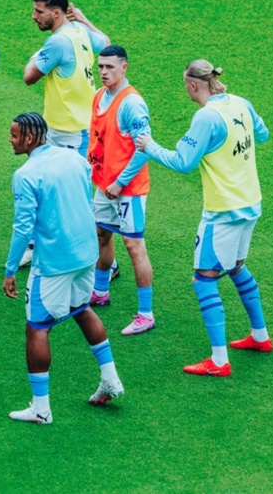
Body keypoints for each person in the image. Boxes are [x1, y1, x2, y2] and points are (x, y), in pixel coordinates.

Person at [136, 60, 272, 376]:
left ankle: (219, 361)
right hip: (250, 202)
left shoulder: (206, 117)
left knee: (204, 279)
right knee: (236, 266)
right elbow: (262, 135)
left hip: (223, 211)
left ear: (194, 85)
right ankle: (260, 337)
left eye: (185, 85)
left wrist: (149, 146)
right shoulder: (241, 103)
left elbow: (183, 162)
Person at [3, 113, 124, 424]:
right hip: (86, 253)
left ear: (30, 138)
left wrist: (10, 269)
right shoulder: (74, 159)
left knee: (37, 328)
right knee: (81, 308)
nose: (11, 140)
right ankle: (110, 378)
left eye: (15, 135)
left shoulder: (26, 174)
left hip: (53, 263)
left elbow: (22, 228)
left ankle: (41, 409)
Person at [20, 0, 110, 269]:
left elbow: (28, 76)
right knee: (45, 185)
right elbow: (104, 42)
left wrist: (37, 53)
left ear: (56, 13)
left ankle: (106, 259)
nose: (33, 16)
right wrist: (82, 19)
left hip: (73, 133)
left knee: (77, 198)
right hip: (62, 129)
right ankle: (35, 245)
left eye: (39, 11)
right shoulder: (79, 32)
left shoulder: (57, 44)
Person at [85, 45, 155, 335]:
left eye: (110, 67)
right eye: (100, 66)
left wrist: (120, 182)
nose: (103, 72)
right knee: (101, 234)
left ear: (124, 68)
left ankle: (146, 314)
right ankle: (100, 292)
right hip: (104, 184)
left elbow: (144, 149)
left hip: (128, 189)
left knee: (134, 246)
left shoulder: (132, 104)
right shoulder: (100, 96)